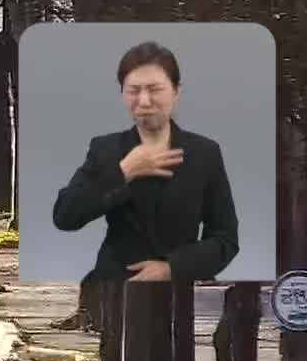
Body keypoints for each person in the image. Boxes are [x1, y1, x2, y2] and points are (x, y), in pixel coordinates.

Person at [51, 41, 240, 282]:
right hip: (113, 289)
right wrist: (123, 172)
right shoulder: (106, 149)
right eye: (134, 90)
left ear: (176, 91)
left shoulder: (204, 153)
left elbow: (225, 239)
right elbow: (65, 216)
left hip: (181, 290)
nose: (144, 100)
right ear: (122, 93)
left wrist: (171, 268)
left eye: (154, 89)